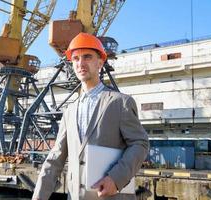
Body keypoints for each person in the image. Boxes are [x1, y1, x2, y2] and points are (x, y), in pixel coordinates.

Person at [32, 32, 149, 200]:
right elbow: (55, 159)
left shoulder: (120, 103)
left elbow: (140, 144)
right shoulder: (69, 111)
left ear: (100, 62)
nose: (81, 63)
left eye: (87, 57)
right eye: (76, 59)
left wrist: (116, 179)